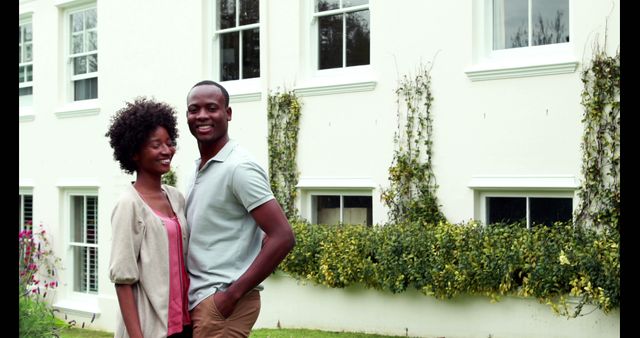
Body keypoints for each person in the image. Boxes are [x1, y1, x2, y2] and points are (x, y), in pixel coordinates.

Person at [184, 80, 296, 338]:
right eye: (194, 109)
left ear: (228, 113)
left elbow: (282, 236)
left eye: (211, 108)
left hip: (221, 302)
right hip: (201, 298)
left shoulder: (239, 167)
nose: (202, 115)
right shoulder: (198, 167)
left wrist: (231, 296)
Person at [106, 97, 191, 338]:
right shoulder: (129, 205)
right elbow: (123, 280)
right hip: (150, 330)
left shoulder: (176, 198)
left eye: (169, 142)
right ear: (134, 153)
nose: (167, 151)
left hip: (184, 325)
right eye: (156, 145)